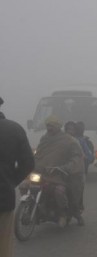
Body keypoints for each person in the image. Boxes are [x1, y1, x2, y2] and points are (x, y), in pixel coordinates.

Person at [34, 115, 85, 227]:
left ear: (58, 127)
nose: (49, 128)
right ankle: (35, 210)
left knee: (59, 191)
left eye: (52, 126)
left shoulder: (68, 140)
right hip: (44, 172)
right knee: (25, 185)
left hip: (59, 174)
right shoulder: (44, 139)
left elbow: (76, 156)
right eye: (48, 125)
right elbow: (39, 154)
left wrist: (65, 167)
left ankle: (63, 214)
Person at [0, 97, 35, 257]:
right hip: (3, 196)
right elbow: (28, 163)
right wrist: (10, 181)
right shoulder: (14, 129)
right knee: (3, 244)